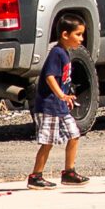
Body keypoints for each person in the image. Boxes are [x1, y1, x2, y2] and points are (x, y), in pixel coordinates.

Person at [26, 14, 88, 189]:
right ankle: (35, 176)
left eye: (82, 34)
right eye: (78, 34)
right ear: (65, 34)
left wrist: (65, 97)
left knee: (74, 135)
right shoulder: (57, 53)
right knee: (48, 142)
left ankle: (69, 172)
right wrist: (61, 95)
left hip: (60, 106)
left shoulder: (65, 53)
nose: (81, 39)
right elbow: (49, 77)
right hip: (49, 106)